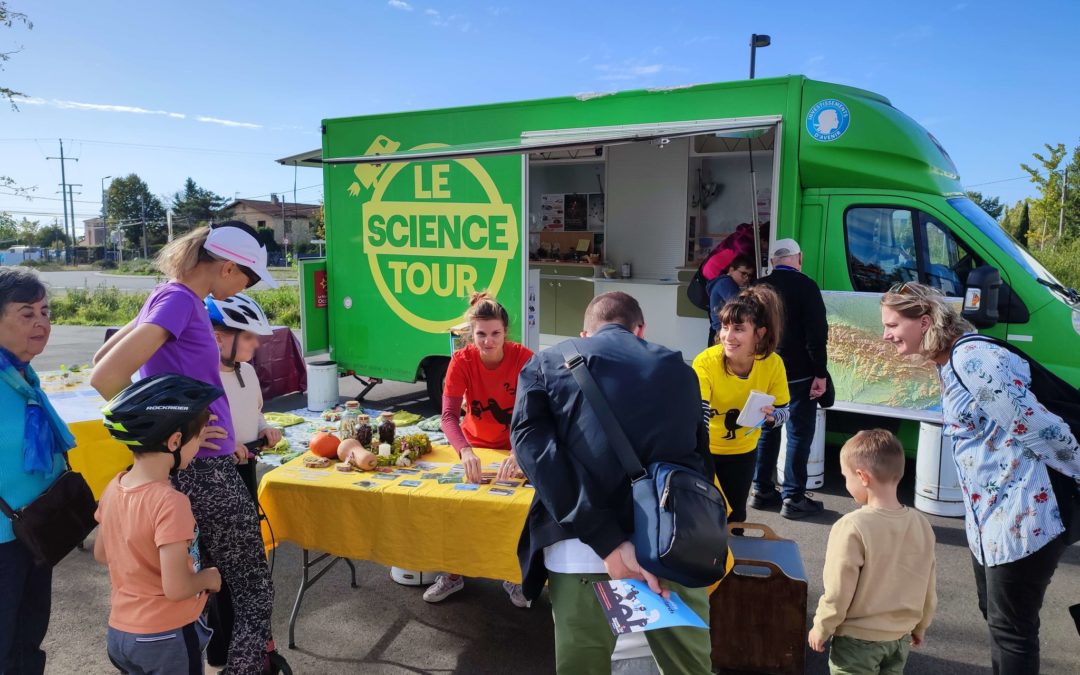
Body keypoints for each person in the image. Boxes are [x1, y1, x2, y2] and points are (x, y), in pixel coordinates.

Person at [91, 222, 277, 675]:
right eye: (248, 280)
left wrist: (190, 429)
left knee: (207, 580)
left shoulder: (172, 296)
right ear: (227, 267)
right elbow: (105, 378)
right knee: (252, 588)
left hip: (195, 462)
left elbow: (102, 362)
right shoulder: (177, 300)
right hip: (202, 469)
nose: (244, 289)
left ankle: (215, 661)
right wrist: (176, 426)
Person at [881, 282, 1080, 674]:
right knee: (999, 618)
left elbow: (1041, 428)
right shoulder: (949, 361)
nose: (886, 335)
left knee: (1013, 630)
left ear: (923, 322)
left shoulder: (974, 358)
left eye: (892, 324)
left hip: (1024, 517)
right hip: (991, 520)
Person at [512, 291, 714, 675]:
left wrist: (608, 540)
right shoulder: (681, 371)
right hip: (671, 548)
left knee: (583, 665)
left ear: (584, 334)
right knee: (689, 667)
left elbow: (536, 456)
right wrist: (650, 540)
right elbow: (699, 462)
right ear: (640, 330)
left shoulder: (547, 363)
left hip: (580, 553)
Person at [95, 374, 224, 675]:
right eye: (197, 439)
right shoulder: (170, 502)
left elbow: (102, 554)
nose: (198, 447)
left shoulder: (114, 487)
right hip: (166, 637)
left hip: (122, 634)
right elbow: (177, 587)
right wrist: (209, 578)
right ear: (175, 441)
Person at [426, 291, 534, 606]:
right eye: (481, 334)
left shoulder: (524, 358)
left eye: (495, 333)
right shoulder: (462, 360)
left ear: (506, 332)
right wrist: (465, 450)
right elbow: (448, 416)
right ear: (471, 334)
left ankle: (513, 577)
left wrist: (520, 451)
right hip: (475, 446)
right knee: (456, 507)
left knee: (515, 512)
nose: (488, 341)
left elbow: (535, 413)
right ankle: (453, 573)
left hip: (515, 447)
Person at [809, 429, 937, 674]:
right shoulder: (921, 524)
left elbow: (838, 589)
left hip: (857, 640)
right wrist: (920, 625)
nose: (847, 485)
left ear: (862, 477)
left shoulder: (852, 526)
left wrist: (822, 626)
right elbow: (928, 585)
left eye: (846, 478)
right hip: (899, 639)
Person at [0, 267, 74, 674]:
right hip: (2, 542)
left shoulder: (21, 374)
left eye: (45, 312)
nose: (41, 323)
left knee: (29, 638)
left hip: (34, 532)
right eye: (26, 313)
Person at [205, 293, 283, 668]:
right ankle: (223, 649)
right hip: (216, 478)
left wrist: (266, 430)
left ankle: (248, 648)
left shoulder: (246, 371)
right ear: (220, 337)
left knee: (249, 563)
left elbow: (255, 414)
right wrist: (225, 444)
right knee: (221, 565)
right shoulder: (201, 377)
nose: (257, 344)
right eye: (249, 336)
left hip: (245, 470)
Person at [693, 286, 790, 525]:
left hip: (743, 452)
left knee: (736, 517)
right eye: (725, 327)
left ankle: (734, 560)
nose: (728, 336)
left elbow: (785, 412)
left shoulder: (773, 363)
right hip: (706, 452)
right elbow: (700, 416)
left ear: (759, 334)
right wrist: (701, 463)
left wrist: (771, 417)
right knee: (704, 517)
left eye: (739, 329)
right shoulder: (706, 362)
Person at [750, 237, 830, 520]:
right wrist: (820, 372)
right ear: (799, 258)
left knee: (766, 426)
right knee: (797, 432)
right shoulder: (806, 286)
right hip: (798, 373)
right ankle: (793, 497)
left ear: (772, 262)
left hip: (761, 369)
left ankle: (761, 490)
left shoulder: (755, 287)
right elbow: (817, 334)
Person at [706, 253, 754, 346]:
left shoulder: (725, 282)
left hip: (723, 330)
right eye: (743, 274)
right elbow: (740, 305)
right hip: (722, 332)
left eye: (749, 276)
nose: (746, 278)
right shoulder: (726, 283)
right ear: (731, 270)